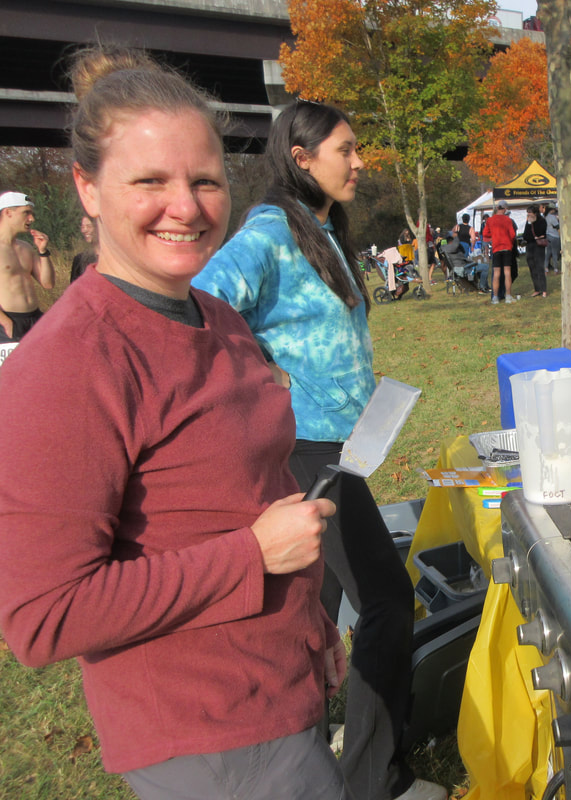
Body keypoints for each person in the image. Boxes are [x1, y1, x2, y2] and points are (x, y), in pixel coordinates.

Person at [0, 46, 347, 799]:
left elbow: (253, 486)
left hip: (278, 685)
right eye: (149, 182)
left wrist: (313, 628)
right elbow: (43, 618)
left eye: (205, 180)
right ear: (87, 190)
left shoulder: (214, 315)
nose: (185, 207)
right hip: (208, 732)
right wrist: (251, 555)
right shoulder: (65, 365)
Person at [193, 101, 444, 800]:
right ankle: (375, 781)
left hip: (342, 443)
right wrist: (259, 373)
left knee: (312, 611)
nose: (359, 162)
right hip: (306, 449)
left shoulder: (322, 228)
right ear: (301, 158)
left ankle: (304, 757)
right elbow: (202, 307)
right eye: (347, 149)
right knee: (388, 600)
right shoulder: (270, 230)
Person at [0, 191, 54, 342]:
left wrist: (43, 252)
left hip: (34, 319)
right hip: (8, 322)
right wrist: (5, 321)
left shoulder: (26, 247)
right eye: (26, 213)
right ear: (8, 212)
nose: (32, 218)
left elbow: (48, 284)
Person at [484, 199, 518, 304]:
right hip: (507, 247)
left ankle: (495, 297)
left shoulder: (490, 220)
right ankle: (508, 296)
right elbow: (512, 235)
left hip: (496, 248)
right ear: (505, 209)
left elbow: (485, 233)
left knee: (496, 273)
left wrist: (493, 237)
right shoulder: (508, 220)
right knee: (507, 272)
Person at [521, 204, 549, 297]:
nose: (528, 215)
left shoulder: (542, 221)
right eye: (527, 213)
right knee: (532, 267)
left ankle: (543, 289)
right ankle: (537, 288)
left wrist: (536, 236)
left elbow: (542, 233)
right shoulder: (528, 223)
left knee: (539, 267)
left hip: (539, 247)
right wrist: (529, 224)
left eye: (530, 213)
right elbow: (525, 235)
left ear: (535, 213)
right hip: (530, 246)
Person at [69, 214, 98, 281]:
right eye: (82, 227)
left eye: (89, 226)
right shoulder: (79, 260)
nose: (84, 230)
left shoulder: (112, 259)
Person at [544, 205, 561, 273]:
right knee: (554, 253)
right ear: (552, 210)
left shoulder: (545, 217)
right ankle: (556, 269)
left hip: (547, 235)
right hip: (554, 236)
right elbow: (557, 226)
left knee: (548, 253)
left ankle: (546, 268)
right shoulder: (552, 217)